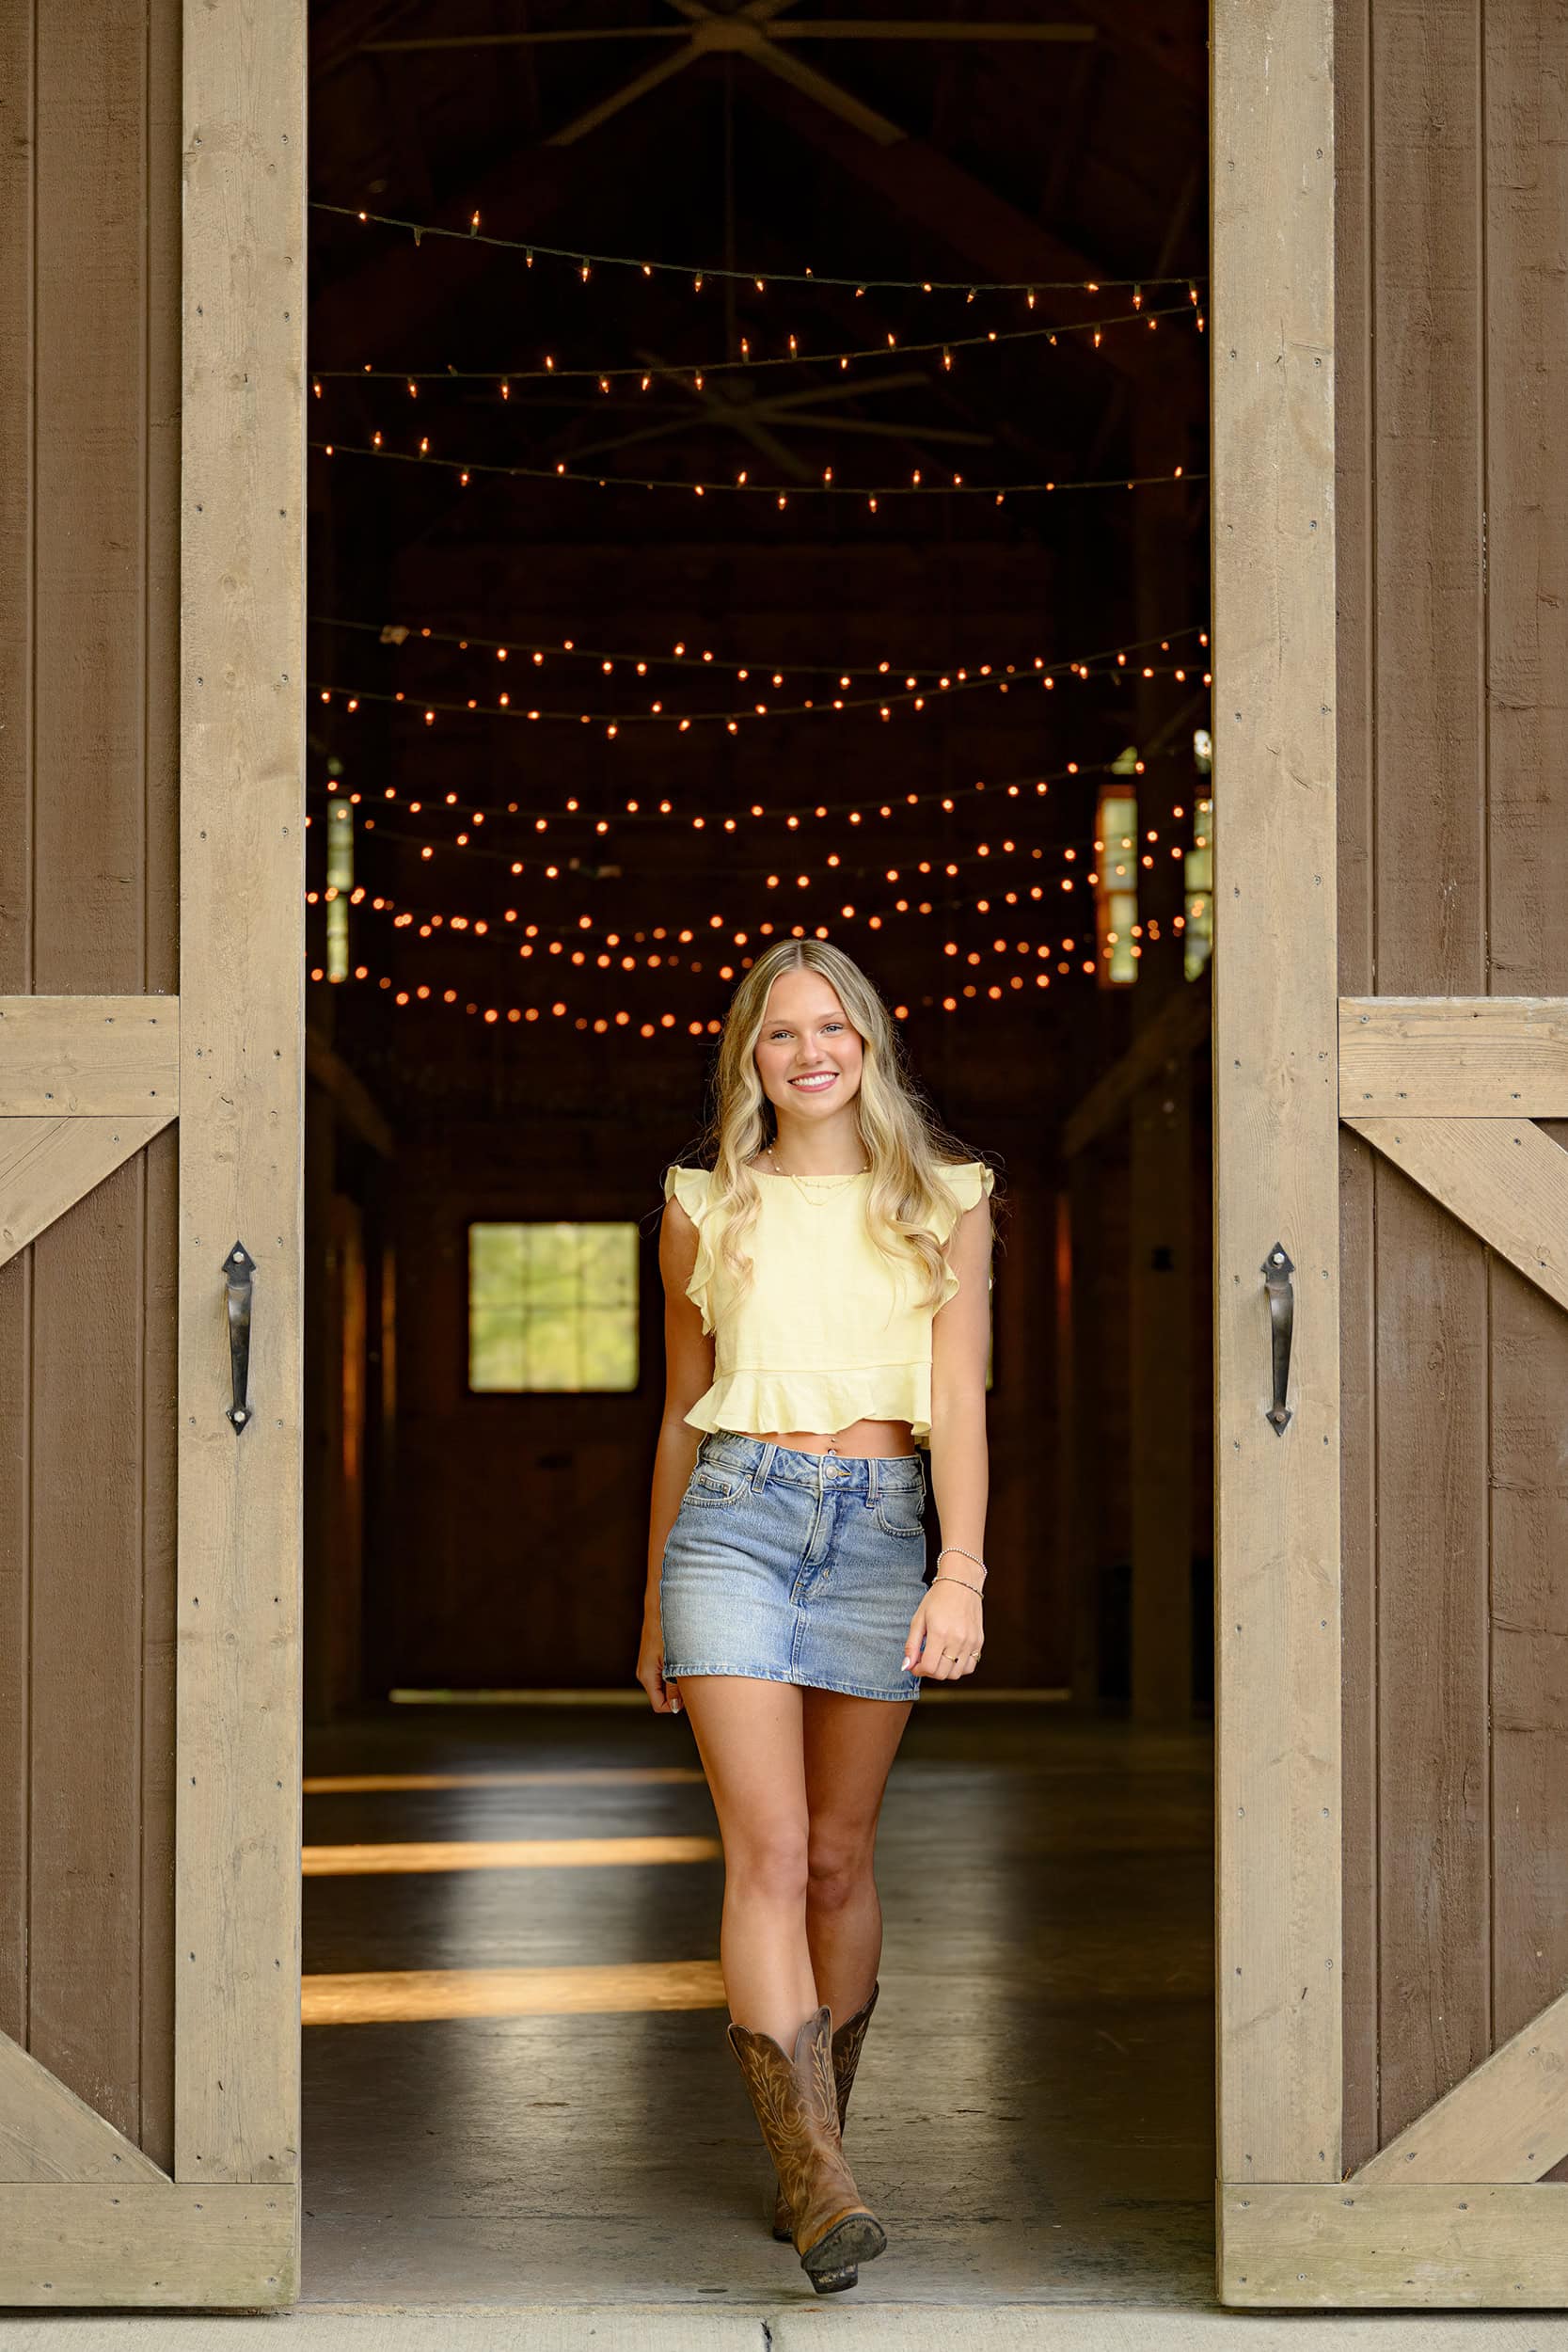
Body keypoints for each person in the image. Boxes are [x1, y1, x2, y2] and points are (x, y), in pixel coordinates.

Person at [640, 937, 996, 2295]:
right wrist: (649, 1597)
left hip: (881, 1531)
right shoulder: (701, 1204)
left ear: (872, 1045)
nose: (810, 1054)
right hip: (731, 1524)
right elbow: (679, 1406)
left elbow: (958, 1399)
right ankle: (817, 2181)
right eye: (781, 1033)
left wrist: (959, 1571)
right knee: (771, 1850)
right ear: (751, 1057)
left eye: (833, 1028)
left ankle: (818, 2139)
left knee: (841, 1858)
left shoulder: (944, 1198)